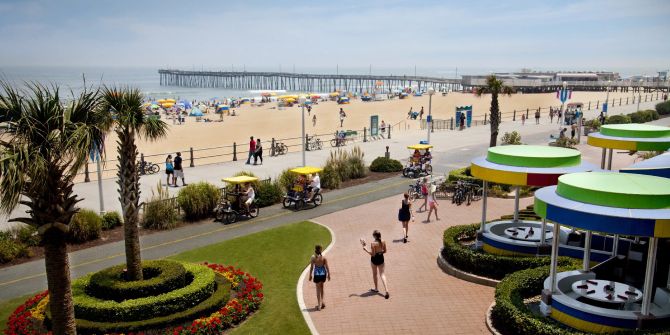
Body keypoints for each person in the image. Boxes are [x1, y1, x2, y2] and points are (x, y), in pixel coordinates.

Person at [361, 230, 389, 299]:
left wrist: (365, 249)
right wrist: (380, 252)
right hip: (381, 258)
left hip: (374, 260)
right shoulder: (383, 241)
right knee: (382, 274)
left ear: (375, 236)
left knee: (375, 274)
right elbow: (385, 251)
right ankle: (386, 290)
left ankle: (376, 288)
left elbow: (373, 254)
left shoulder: (373, 243)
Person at [308, 245, 330, 311]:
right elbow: (327, 267)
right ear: (320, 250)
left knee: (317, 289)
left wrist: (310, 275)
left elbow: (311, 267)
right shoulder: (324, 258)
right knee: (322, 288)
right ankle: (322, 302)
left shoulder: (313, 257)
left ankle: (319, 305)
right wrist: (329, 275)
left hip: (317, 274)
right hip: (323, 274)